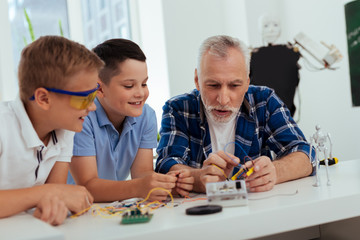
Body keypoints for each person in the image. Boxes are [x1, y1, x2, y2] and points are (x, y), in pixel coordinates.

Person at [156, 35, 315, 193]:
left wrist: (275, 171)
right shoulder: (178, 108)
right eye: (213, 85)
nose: (223, 100)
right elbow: (166, 164)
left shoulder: (264, 101)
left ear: (247, 82)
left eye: (234, 85)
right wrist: (198, 178)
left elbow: (305, 153)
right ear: (197, 80)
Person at [68, 39, 194, 202]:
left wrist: (166, 183)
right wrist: (138, 187)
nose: (140, 93)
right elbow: (88, 185)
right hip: (73, 212)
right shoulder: (81, 118)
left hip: (109, 209)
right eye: (129, 86)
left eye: (144, 83)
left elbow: (142, 174)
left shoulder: (146, 116)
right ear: (99, 88)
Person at [0, 36, 104, 225]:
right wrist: (46, 194)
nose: (92, 107)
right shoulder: (3, 127)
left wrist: (53, 206)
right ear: (44, 99)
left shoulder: (64, 129)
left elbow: (57, 193)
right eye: (84, 98)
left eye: (94, 95)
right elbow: (52, 191)